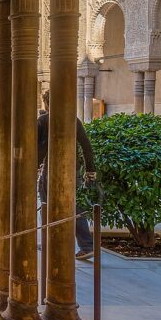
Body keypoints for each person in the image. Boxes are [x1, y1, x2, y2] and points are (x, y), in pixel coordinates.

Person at [37, 90, 97, 260]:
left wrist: (33, 167)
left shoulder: (43, 120)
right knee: (72, 205)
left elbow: (35, 148)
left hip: (50, 167)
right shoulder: (73, 120)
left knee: (46, 203)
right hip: (72, 168)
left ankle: (51, 241)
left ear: (47, 103)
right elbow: (86, 147)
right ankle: (86, 245)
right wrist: (90, 171)